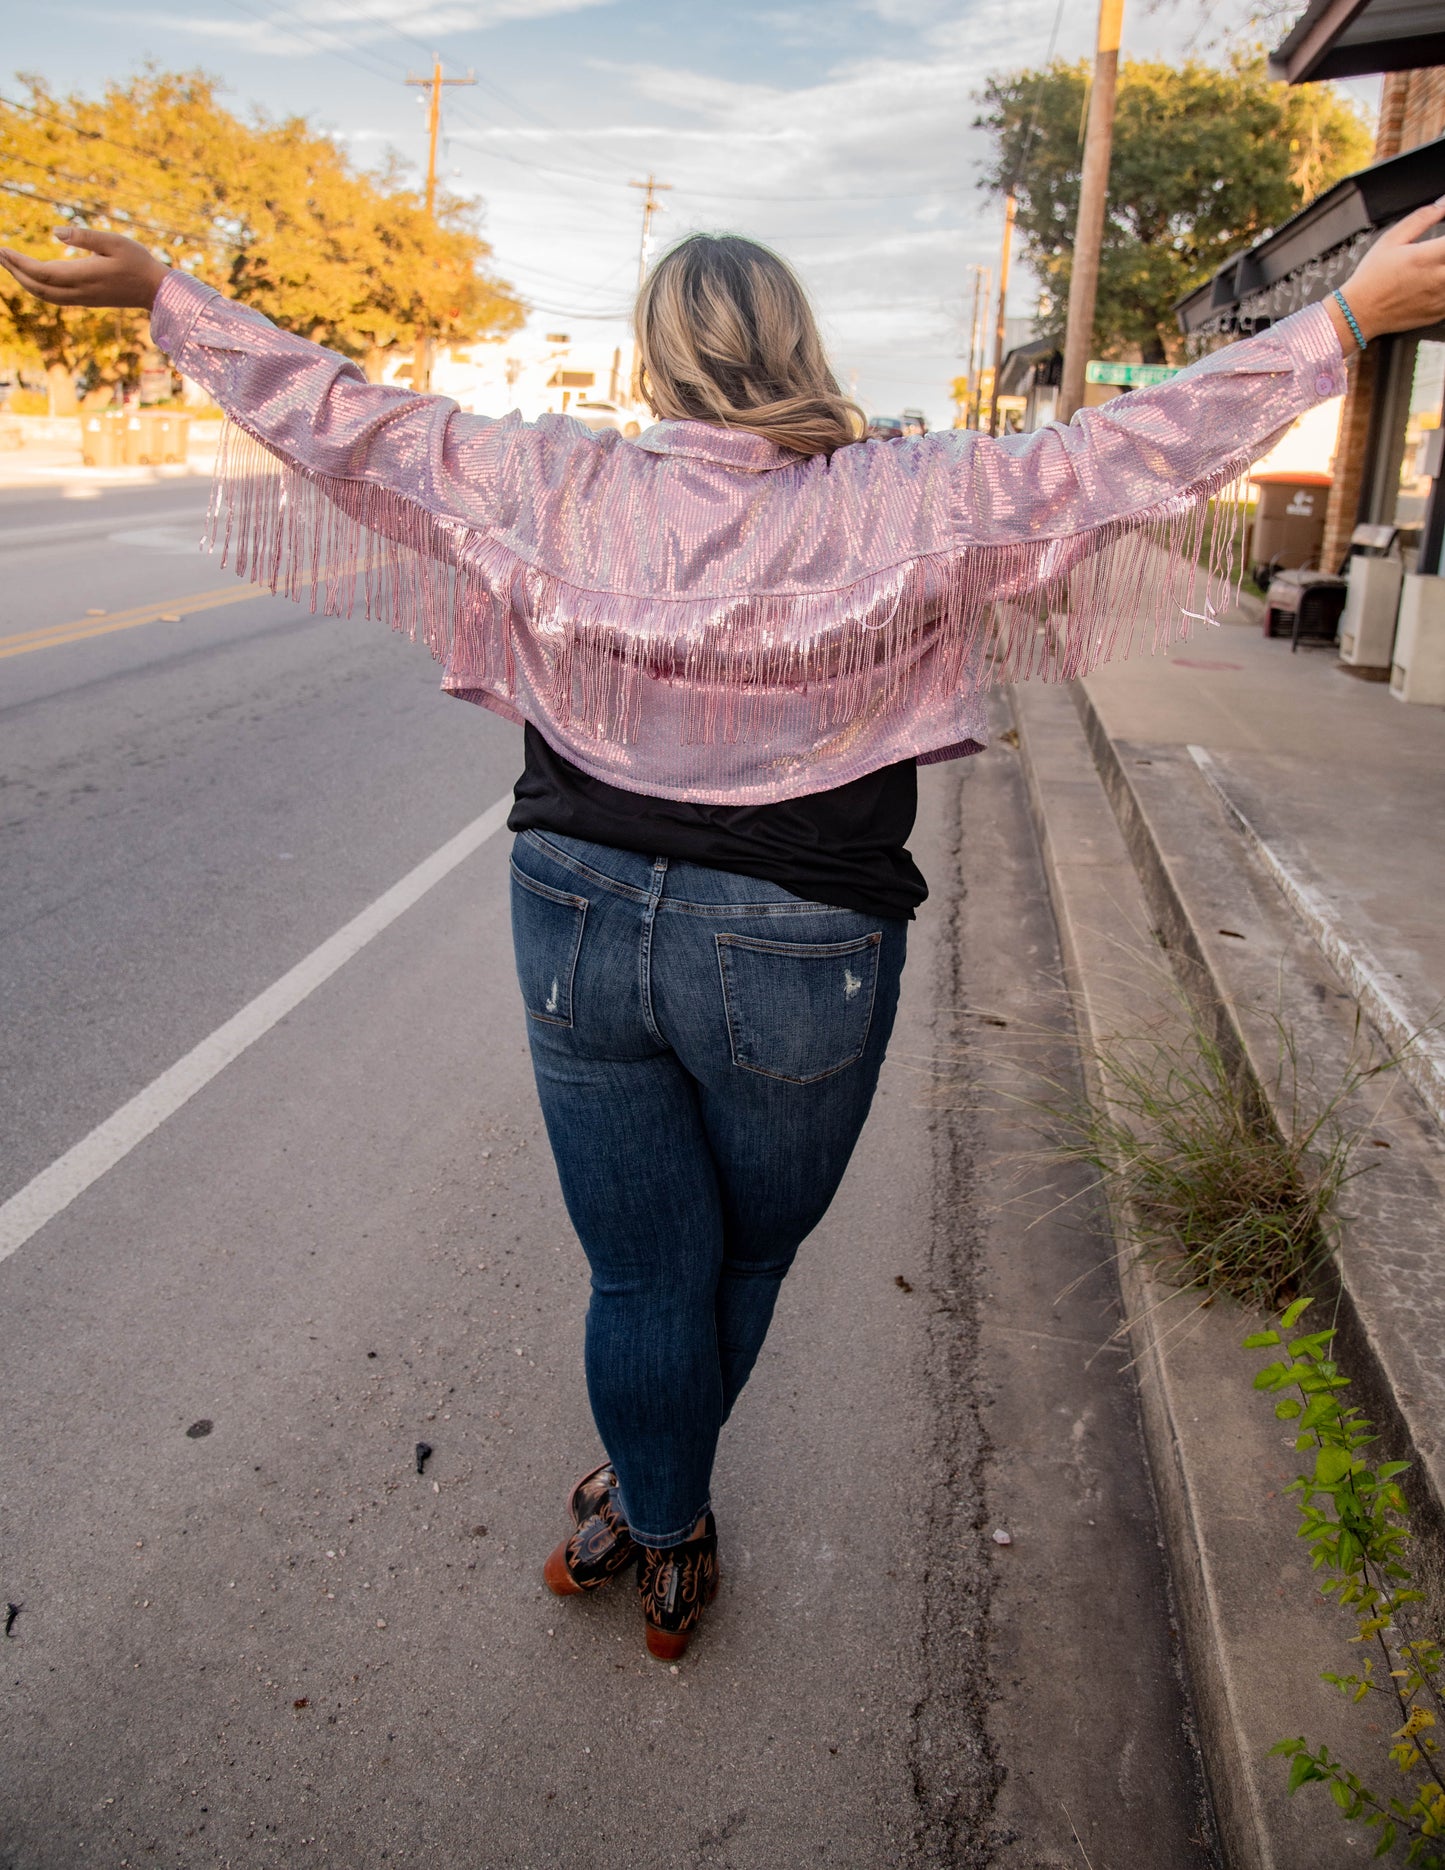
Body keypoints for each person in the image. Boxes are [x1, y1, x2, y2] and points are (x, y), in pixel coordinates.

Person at [6, 210, 1443, 1661]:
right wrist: (1338, 322)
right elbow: (1133, 451)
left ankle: (652, 1509)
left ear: (651, 362)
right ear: (796, 346)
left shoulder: (552, 481)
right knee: (738, 1264)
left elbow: (349, 425)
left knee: (641, 1274)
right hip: (797, 944)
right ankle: (665, 1508)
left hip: (569, 904)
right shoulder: (910, 496)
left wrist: (167, 295)